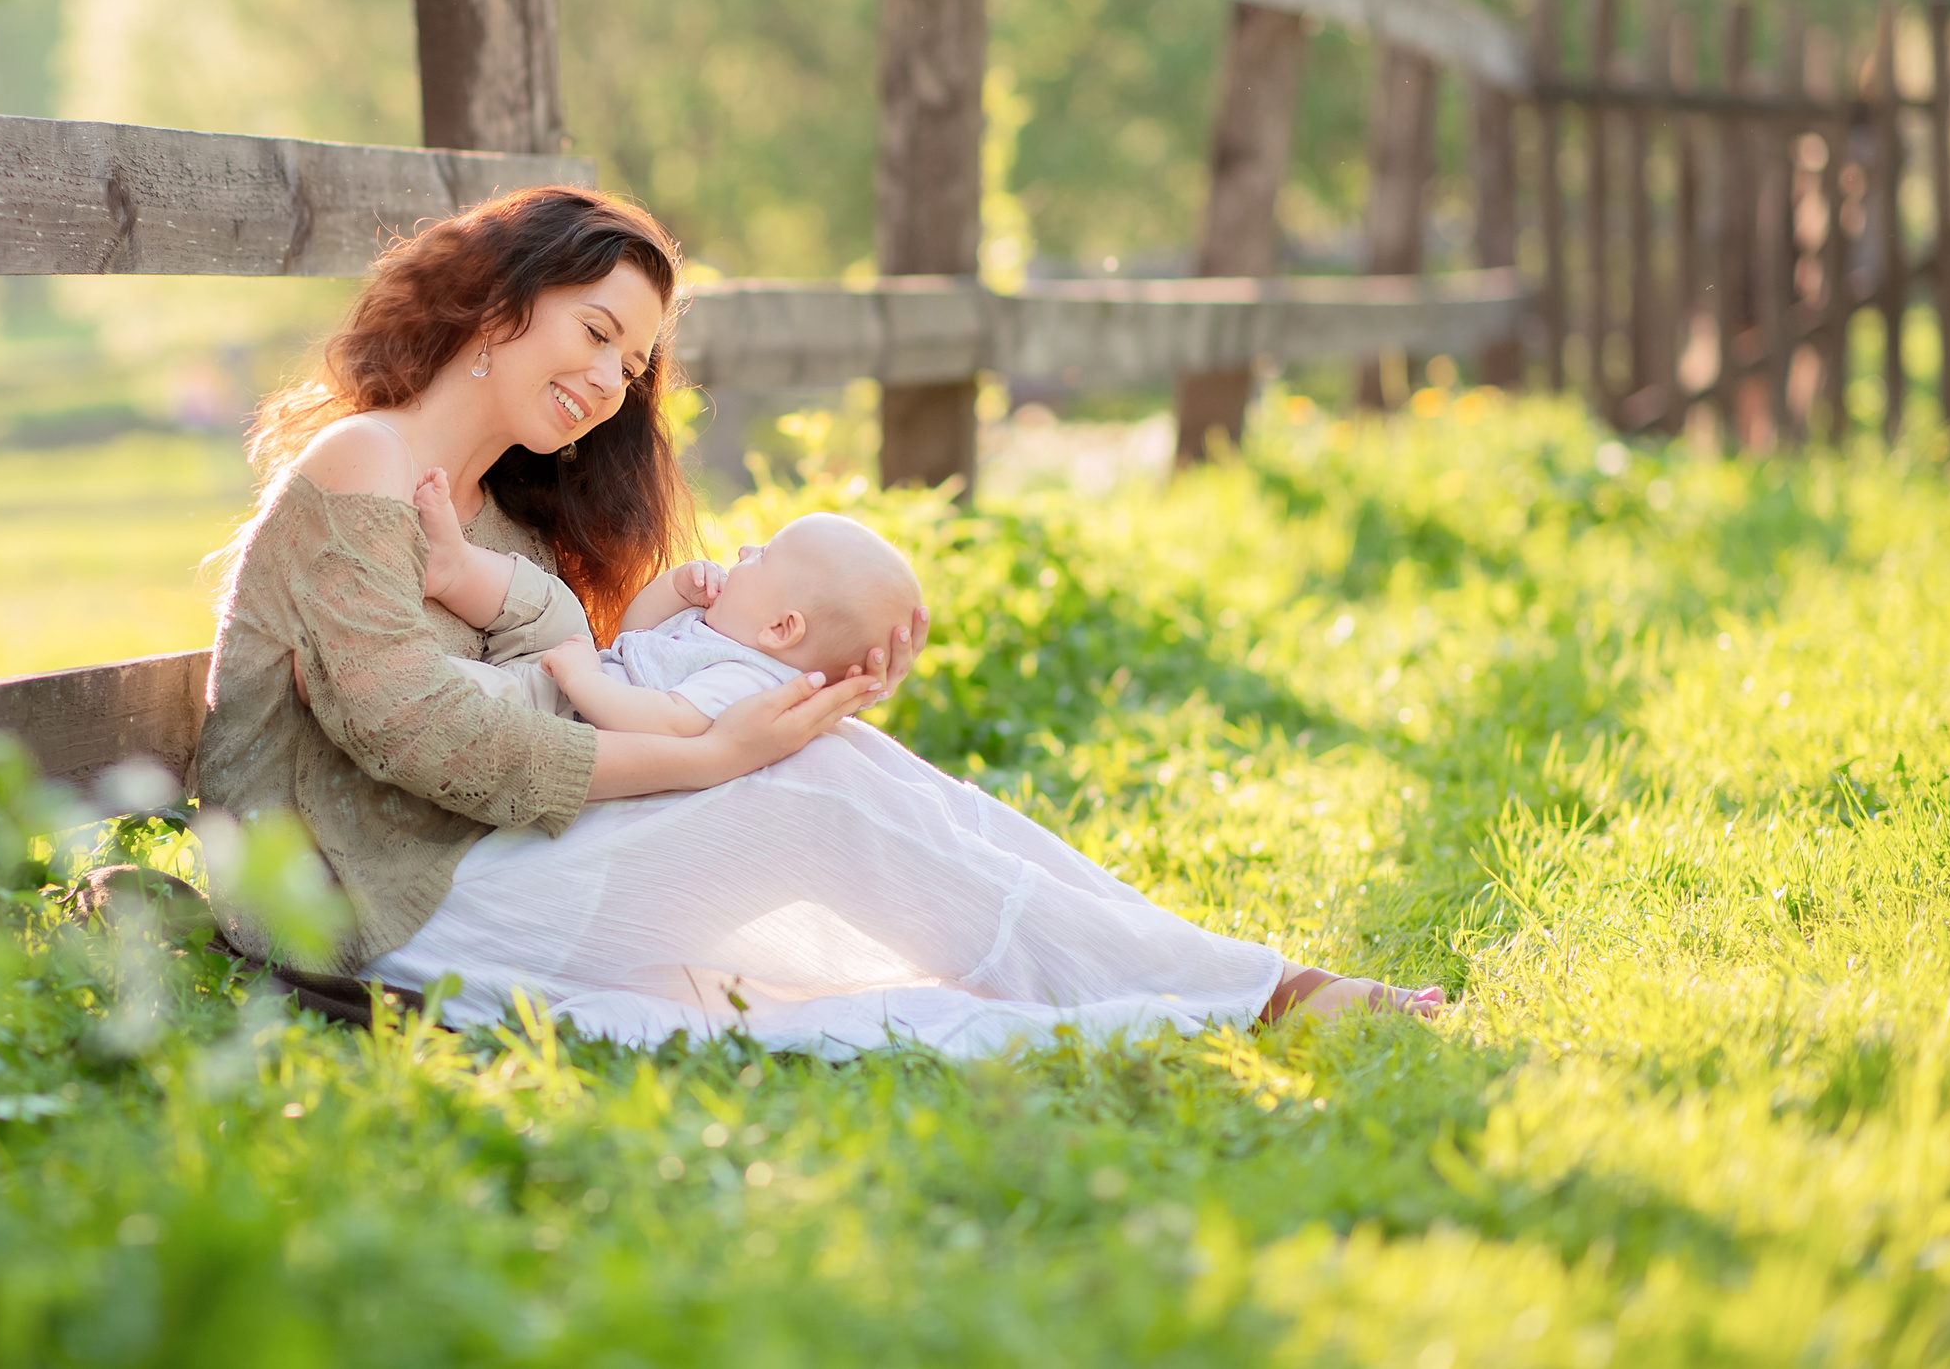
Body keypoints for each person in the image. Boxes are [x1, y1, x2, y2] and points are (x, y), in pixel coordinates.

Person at [193, 186, 1442, 1058]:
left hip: (462, 869)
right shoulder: (366, 462)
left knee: (830, 763)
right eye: (596, 331)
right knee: (801, 785)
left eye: (632, 366)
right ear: (497, 301)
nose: (608, 382)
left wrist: (762, 692)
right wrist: (715, 753)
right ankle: (1240, 992)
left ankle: (1233, 981)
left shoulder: (499, 517)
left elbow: (575, 680)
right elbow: (421, 736)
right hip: (363, 906)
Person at [411, 467, 922, 739]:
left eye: (763, 556)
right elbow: (635, 634)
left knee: (504, 696)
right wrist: (675, 589)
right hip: (585, 673)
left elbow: (666, 720)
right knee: (555, 603)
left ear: (782, 629)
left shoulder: (746, 682)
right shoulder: (721, 629)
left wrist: (582, 680)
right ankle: (453, 568)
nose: (744, 551)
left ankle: (414, 683)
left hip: (570, 720)